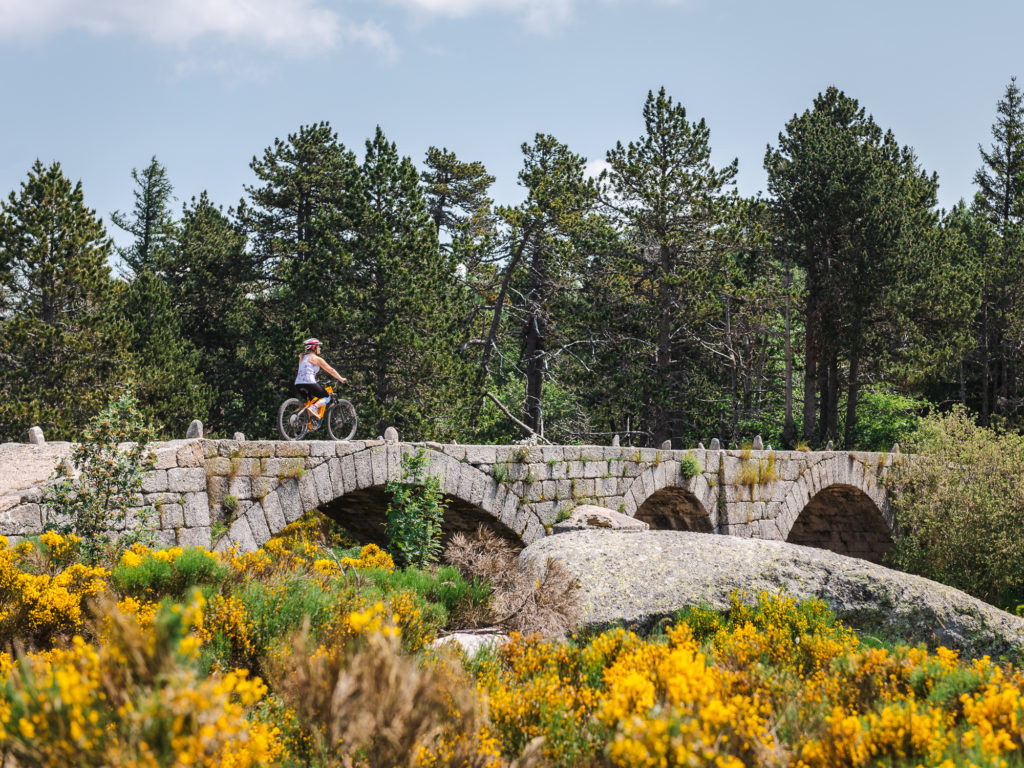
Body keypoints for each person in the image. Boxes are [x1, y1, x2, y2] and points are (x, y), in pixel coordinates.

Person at [294, 338, 346, 418]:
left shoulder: (302, 357)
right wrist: (341, 379)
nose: (320, 348)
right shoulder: (316, 358)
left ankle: (305, 423)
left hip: (298, 384)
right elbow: (330, 370)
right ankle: (313, 408)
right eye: (318, 346)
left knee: (312, 402)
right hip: (309, 382)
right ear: (314, 347)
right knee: (326, 397)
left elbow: (303, 371)